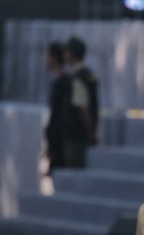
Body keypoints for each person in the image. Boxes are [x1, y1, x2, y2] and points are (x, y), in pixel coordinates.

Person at [61, 36, 98, 168]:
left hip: (75, 136)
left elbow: (81, 108)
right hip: (81, 135)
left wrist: (90, 134)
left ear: (70, 54)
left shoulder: (77, 78)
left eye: (66, 52)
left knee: (73, 170)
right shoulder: (88, 74)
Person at [43, 41, 70, 175]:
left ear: (53, 57)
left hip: (60, 138)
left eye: (47, 56)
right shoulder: (58, 81)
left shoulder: (64, 82)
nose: (45, 60)